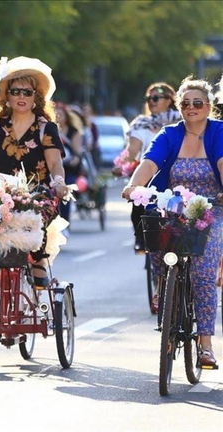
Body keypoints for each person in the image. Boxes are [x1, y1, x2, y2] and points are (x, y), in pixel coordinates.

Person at [122, 76, 222, 367]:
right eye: (186, 103)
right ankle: (162, 288)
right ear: (179, 107)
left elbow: (222, 163)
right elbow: (149, 163)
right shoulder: (169, 133)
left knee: (203, 275)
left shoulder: (219, 132)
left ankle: (205, 344)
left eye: (198, 103)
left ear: (208, 106)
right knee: (156, 241)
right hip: (175, 208)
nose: (191, 108)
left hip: (212, 209)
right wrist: (133, 186)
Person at [0, 56, 68, 293]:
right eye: (16, 91)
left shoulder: (45, 128)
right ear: (6, 96)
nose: (21, 97)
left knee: (40, 212)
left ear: (35, 97)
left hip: (36, 192)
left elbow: (54, 162)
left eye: (27, 92)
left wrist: (59, 181)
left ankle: (38, 259)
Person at [118, 82, 181, 253]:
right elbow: (132, 151)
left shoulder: (183, 121)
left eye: (155, 98)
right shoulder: (141, 124)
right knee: (139, 203)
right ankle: (141, 238)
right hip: (149, 173)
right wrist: (121, 164)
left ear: (169, 100)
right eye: (148, 99)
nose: (151, 102)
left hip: (177, 173)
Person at [54, 102, 84, 231]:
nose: (58, 116)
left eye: (60, 114)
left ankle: (65, 224)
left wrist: (75, 159)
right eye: (56, 114)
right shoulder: (50, 129)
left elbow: (77, 151)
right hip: (53, 168)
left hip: (69, 170)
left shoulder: (73, 132)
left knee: (66, 193)